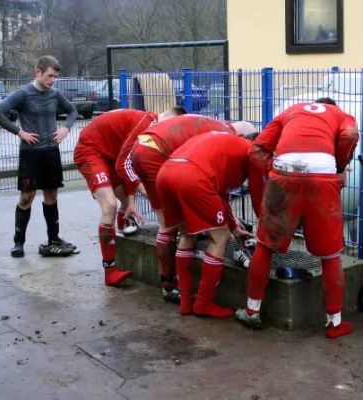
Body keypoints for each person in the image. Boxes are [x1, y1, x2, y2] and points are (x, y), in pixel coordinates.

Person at [234, 97, 359, 339]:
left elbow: (255, 149)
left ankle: (252, 311)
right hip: (323, 180)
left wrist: (275, 170)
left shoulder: (290, 112)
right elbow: (350, 134)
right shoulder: (340, 114)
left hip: (284, 174)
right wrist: (340, 166)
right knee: (330, 255)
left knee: (264, 246)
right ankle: (334, 323)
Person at [125, 115, 257, 301]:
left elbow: (216, 187)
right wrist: (231, 226)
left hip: (145, 150)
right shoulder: (227, 137)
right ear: (243, 136)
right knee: (181, 230)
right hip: (159, 156)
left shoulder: (214, 126)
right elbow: (215, 188)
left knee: (175, 227)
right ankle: (177, 289)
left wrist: (233, 224)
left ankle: (173, 287)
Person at [73, 106, 187, 288]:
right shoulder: (148, 126)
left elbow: (128, 164)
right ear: (172, 121)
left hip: (110, 154)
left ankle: (123, 227)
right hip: (91, 151)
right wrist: (148, 193)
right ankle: (110, 271)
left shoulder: (152, 124)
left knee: (125, 204)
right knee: (109, 206)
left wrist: (130, 202)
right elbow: (123, 166)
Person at [155, 131, 264, 317]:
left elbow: (220, 194)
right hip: (193, 177)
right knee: (220, 238)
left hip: (166, 173)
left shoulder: (229, 142)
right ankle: (204, 303)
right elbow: (257, 199)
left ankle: (186, 302)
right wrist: (266, 232)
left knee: (187, 234)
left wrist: (234, 226)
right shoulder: (252, 154)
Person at [0, 56, 79, 258]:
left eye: (55, 76)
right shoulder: (22, 94)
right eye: (49, 76)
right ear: (38, 72)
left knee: (51, 196)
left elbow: (72, 111)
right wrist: (19, 132)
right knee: (26, 197)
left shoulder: (55, 94)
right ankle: (18, 242)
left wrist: (66, 128)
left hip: (51, 152)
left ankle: (53, 240)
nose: (52, 80)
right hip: (30, 154)